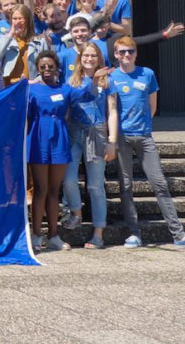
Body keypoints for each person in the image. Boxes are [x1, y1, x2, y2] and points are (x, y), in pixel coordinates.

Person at [109, 36, 185, 249]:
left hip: (144, 136)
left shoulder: (147, 74)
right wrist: (113, 139)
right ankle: (134, 233)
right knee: (126, 185)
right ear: (116, 54)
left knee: (159, 183)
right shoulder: (112, 77)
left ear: (136, 53)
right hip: (123, 138)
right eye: (123, 52)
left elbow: (152, 106)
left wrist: (143, 126)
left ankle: (178, 235)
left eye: (131, 51)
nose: (127, 55)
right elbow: (113, 110)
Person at [25, 49, 90, 252]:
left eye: (50, 66)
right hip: (38, 138)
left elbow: (86, 94)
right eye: (42, 67)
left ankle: (53, 235)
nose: (46, 70)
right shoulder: (31, 89)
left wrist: (94, 77)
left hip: (60, 139)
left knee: (54, 190)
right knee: (40, 190)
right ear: (37, 68)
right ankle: (36, 235)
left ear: (57, 68)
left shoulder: (65, 89)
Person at [62, 42, 118, 249]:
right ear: (80, 58)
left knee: (95, 186)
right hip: (74, 132)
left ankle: (98, 233)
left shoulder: (108, 81)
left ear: (99, 58)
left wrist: (112, 141)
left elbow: (112, 112)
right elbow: (65, 109)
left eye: (93, 55)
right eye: (86, 55)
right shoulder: (71, 81)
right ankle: (76, 212)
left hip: (97, 132)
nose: (89, 59)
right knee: (68, 180)